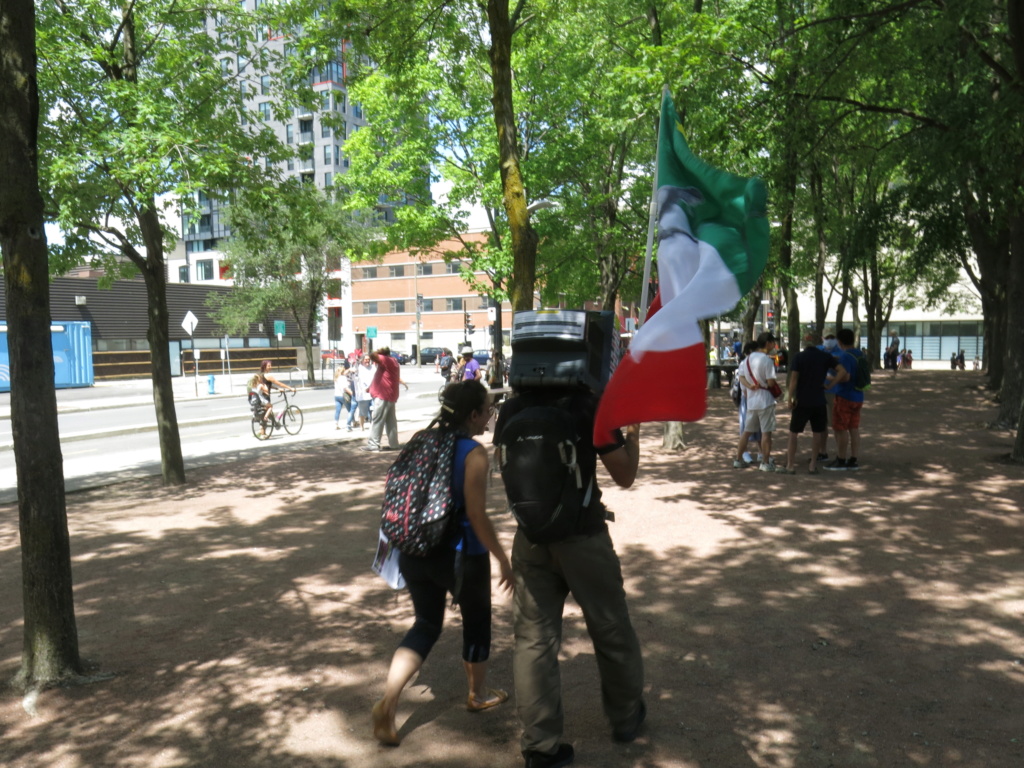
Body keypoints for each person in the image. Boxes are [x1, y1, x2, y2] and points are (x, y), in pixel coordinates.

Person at [494, 386, 644, 768]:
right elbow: (624, 474)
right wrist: (634, 433)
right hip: (584, 538)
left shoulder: (512, 407)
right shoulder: (588, 405)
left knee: (533, 642)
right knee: (610, 628)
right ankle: (626, 717)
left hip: (530, 539)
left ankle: (541, 746)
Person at [372, 380, 514, 746]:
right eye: (487, 408)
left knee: (425, 624)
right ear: (473, 415)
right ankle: (477, 695)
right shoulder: (474, 453)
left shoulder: (422, 439)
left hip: (414, 548)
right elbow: (478, 517)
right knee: (477, 623)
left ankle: (388, 702)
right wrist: (502, 559)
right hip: (461, 554)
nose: (490, 414)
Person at [775, 333, 838, 475]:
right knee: (817, 433)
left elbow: (794, 380)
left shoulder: (799, 357)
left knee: (793, 433)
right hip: (819, 400)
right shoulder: (825, 357)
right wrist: (830, 384)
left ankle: (790, 465)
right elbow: (842, 371)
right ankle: (813, 464)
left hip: (802, 401)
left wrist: (790, 397)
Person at [734, 332, 780, 472]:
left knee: (746, 432)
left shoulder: (746, 360)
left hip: (751, 401)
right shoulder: (767, 360)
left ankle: (738, 459)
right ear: (767, 343)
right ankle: (765, 462)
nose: (774, 346)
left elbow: (741, 377)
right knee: (766, 432)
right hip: (765, 399)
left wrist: (749, 386)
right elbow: (771, 382)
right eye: (773, 343)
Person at [823, 328, 863, 471]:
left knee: (840, 428)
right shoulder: (859, 354)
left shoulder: (846, 356)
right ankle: (854, 459)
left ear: (840, 342)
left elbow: (845, 376)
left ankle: (841, 459)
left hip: (845, 396)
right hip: (858, 396)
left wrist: (829, 380)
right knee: (853, 428)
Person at [363, 346, 409, 452]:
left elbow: (372, 355)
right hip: (390, 395)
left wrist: (379, 352)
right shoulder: (393, 361)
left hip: (383, 395)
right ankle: (394, 444)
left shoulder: (385, 360)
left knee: (377, 419)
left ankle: (373, 444)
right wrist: (370, 388)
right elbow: (384, 376)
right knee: (391, 421)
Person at [257, 360, 297, 429]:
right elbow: (279, 383)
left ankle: (262, 434)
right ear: (265, 367)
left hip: (261, 396)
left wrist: (277, 389)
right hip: (266, 396)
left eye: (270, 365)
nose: (270, 367)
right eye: (268, 366)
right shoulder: (268, 375)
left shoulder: (261, 375)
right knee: (266, 414)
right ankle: (263, 432)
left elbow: (267, 385)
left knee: (265, 414)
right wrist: (290, 388)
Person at [347, 354, 373, 431]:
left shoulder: (373, 368)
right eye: (366, 359)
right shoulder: (357, 369)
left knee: (374, 410)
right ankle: (362, 427)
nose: (367, 361)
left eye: (368, 359)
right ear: (362, 360)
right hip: (362, 395)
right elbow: (345, 375)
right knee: (362, 413)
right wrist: (349, 370)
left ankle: (372, 425)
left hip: (372, 394)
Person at [333, 364, 350, 430]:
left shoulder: (336, 378)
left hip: (336, 396)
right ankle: (352, 421)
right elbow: (345, 387)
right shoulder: (343, 378)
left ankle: (336, 424)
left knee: (338, 410)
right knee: (350, 409)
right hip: (343, 395)